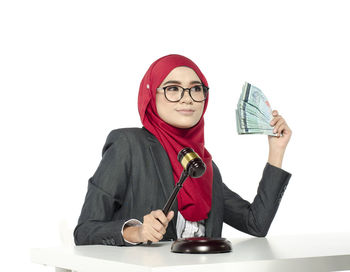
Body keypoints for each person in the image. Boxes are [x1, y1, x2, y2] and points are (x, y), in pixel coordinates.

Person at [73, 54, 292, 246]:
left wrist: (276, 150)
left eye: (196, 88)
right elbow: (84, 231)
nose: (187, 97)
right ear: (151, 95)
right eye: (173, 88)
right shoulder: (128, 145)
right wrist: (136, 232)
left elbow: (256, 224)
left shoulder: (202, 167)